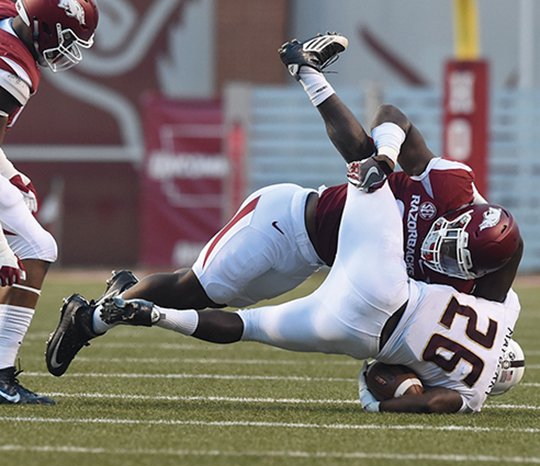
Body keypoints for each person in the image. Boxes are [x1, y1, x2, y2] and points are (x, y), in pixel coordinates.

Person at [45, 33, 521, 378]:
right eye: (453, 240)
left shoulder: (464, 291)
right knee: (193, 292)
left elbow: (449, 332)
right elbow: (393, 118)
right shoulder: (453, 187)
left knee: (216, 304)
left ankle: (125, 291)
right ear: (463, 215)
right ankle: (87, 318)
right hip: (288, 223)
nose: (444, 253)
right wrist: (387, 157)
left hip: (312, 263)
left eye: (461, 260)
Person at [0, 0, 98, 404]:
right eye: (68, 41)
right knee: (32, 249)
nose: (67, 53)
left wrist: (10, 176)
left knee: (37, 243)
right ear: (46, 27)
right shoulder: (10, 66)